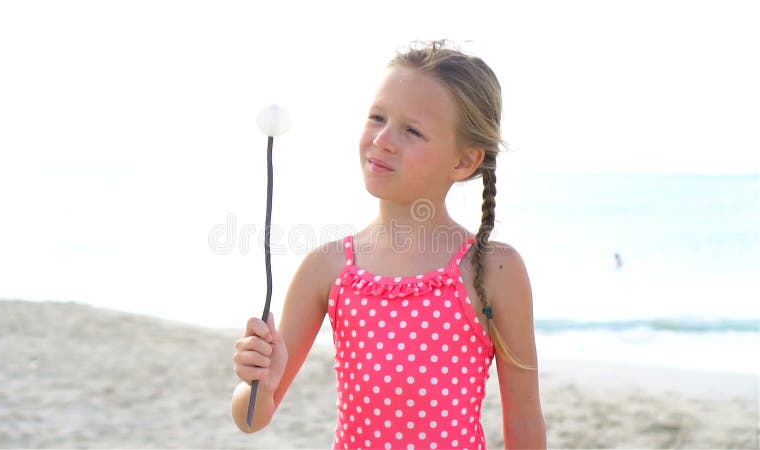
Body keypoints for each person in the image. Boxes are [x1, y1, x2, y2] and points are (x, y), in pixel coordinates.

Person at [232, 40, 546, 450]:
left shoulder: (494, 270)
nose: (383, 139)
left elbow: (524, 423)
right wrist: (259, 383)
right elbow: (253, 418)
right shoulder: (326, 267)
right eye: (377, 117)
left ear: (464, 162)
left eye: (412, 130)